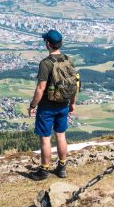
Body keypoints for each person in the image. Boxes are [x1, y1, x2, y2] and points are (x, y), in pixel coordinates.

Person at [28, 29, 77, 181]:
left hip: (47, 107)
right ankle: (62, 168)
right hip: (63, 104)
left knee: (45, 139)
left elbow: (41, 88)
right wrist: (73, 103)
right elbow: (74, 84)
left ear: (48, 44)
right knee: (61, 135)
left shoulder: (46, 63)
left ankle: (44, 171)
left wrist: (32, 105)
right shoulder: (68, 60)